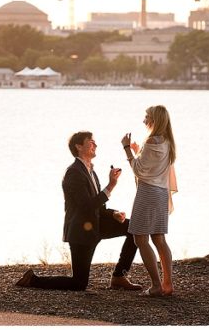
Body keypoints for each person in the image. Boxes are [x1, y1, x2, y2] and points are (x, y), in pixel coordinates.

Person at [15, 131, 143, 291]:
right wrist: (110, 186)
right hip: (81, 232)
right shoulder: (73, 172)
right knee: (79, 283)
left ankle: (119, 276)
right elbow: (86, 206)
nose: (95, 145)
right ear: (79, 146)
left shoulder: (91, 171)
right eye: (91, 142)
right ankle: (32, 280)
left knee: (135, 229)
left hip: (96, 225)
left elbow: (97, 207)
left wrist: (112, 214)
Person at [122, 105, 178, 296]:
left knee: (140, 238)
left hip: (148, 193)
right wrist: (139, 152)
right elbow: (150, 167)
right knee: (159, 239)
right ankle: (167, 284)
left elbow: (139, 170)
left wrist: (127, 149)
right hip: (161, 193)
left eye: (147, 117)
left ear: (155, 120)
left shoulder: (152, 141)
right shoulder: (167, 142)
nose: (144, 120)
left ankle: (156, 286)